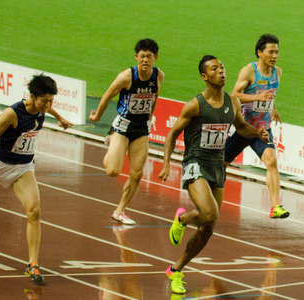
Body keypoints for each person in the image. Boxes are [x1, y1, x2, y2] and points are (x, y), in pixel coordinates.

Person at [159, 55, 269, 294]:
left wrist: (257, 133)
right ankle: (185, 219)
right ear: (204, 76)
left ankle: (176, 268)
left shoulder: (233, 103)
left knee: (209, 226)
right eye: (214, 69)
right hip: (196, 164)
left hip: (217, 166)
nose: (221, 71)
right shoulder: (195, 105)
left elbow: (240, 127)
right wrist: (166, 163)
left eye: (222, 67)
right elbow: (172, 133)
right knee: (209, 214)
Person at [0, 74, 72, 284]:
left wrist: (59, 118)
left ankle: (33, 264)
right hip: (0, 166)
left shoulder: (43, 108)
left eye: (51, 101)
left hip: (23, 168)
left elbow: (48, 107)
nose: (48, 106)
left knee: (34, 211)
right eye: (44, 101)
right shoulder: (11, 114)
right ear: (31, 97)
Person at [89, 38, 165, 225]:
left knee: (137, 174)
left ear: (155, 57)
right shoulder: (127, 76)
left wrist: (150, 117)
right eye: (142, 57)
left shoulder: (158, 76)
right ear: (136, 57)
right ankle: (111, 142)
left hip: (141, 129)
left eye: (149, 57)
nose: (145, 60)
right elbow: (108, 94)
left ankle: (120, 211)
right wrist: (97, 116)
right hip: (123, 126)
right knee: (113, 171)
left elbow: (154, 97)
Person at [224, 34, 290, 219]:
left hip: (262, 130)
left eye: (277, 52)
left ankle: (275, 206)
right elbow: (234, 94)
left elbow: (270, 93)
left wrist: (273, 108)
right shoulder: (249, 71)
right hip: (243, 128)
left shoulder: (277, 72)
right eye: (271, 52)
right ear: (260, 53)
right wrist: (256, 98)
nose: (275, 55)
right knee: (221, 165)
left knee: (271, 161)